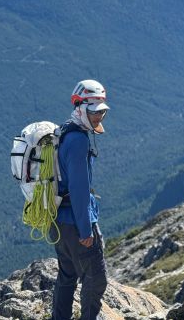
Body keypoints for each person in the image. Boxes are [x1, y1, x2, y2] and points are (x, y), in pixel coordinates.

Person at [51, 79, 109, 320]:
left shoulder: (64, 131)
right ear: (81, 108)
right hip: (77, 224)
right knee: (96, 280)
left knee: (67, 276)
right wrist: (86, 230)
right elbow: (79, 189)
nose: (99, 117)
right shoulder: (79, 140)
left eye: (102, 112)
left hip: (58, 221)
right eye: (94, 112)